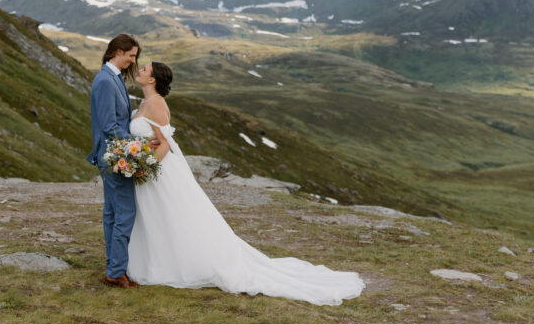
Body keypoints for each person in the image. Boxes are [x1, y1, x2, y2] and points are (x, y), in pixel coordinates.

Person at [126, 61, 365, 306]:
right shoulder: (144, 102)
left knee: (171, 215)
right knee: (156, 217)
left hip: (159, 171)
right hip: (150, 168)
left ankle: (182, 262)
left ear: (153, 79)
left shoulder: (156, 104)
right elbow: (150, 139)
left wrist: (145, 166)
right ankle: (158, 259)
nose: (140, 70)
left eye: (144, 69)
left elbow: (165, 144)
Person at [87, 33, 142, 289]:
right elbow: (110, 126)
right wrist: (137, 148)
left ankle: (114, 268)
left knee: (112, 212)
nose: (133, 61)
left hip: (112, 153)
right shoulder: (106, 81)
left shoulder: (113, 77)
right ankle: (116, 271)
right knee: (125, 212)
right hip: (113, 156)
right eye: (131, 55)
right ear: (117, 51)